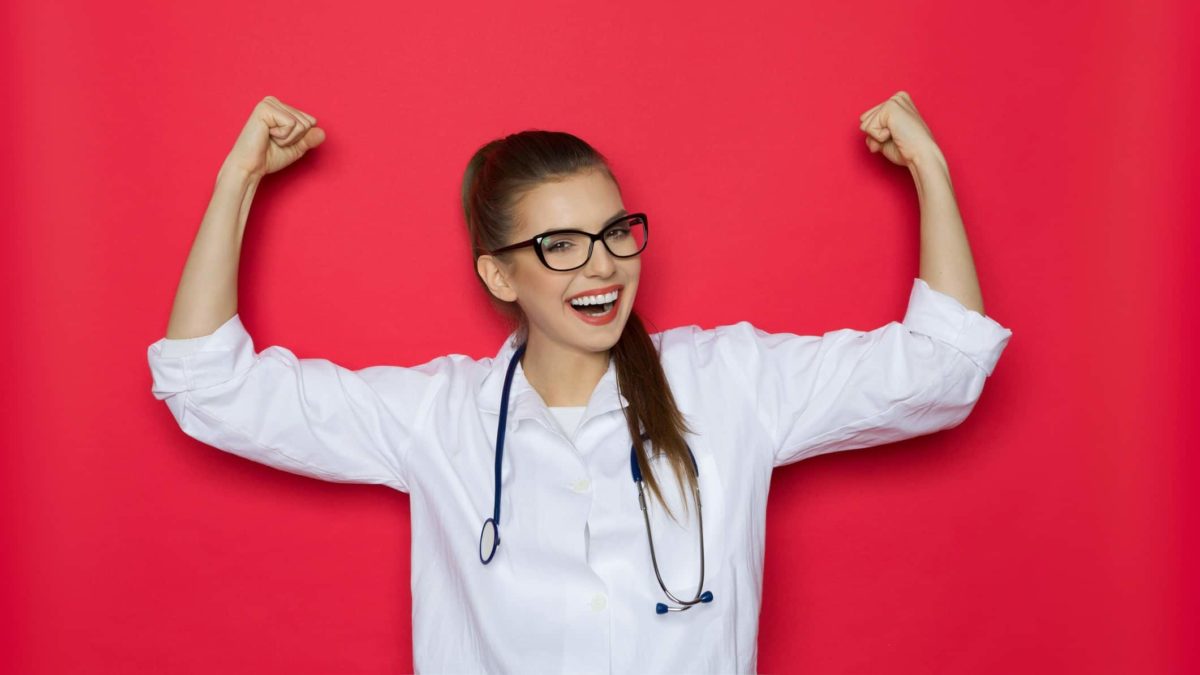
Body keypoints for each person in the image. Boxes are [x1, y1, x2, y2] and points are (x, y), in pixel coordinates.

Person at [147, 92, 1013, 674]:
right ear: (497, 276)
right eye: (558, 245)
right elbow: (207, 386)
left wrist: (929, 166)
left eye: (614, 232)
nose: (600, 267)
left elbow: (942, 366)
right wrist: (240, 179)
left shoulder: (732, 382)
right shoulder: (436, 417)